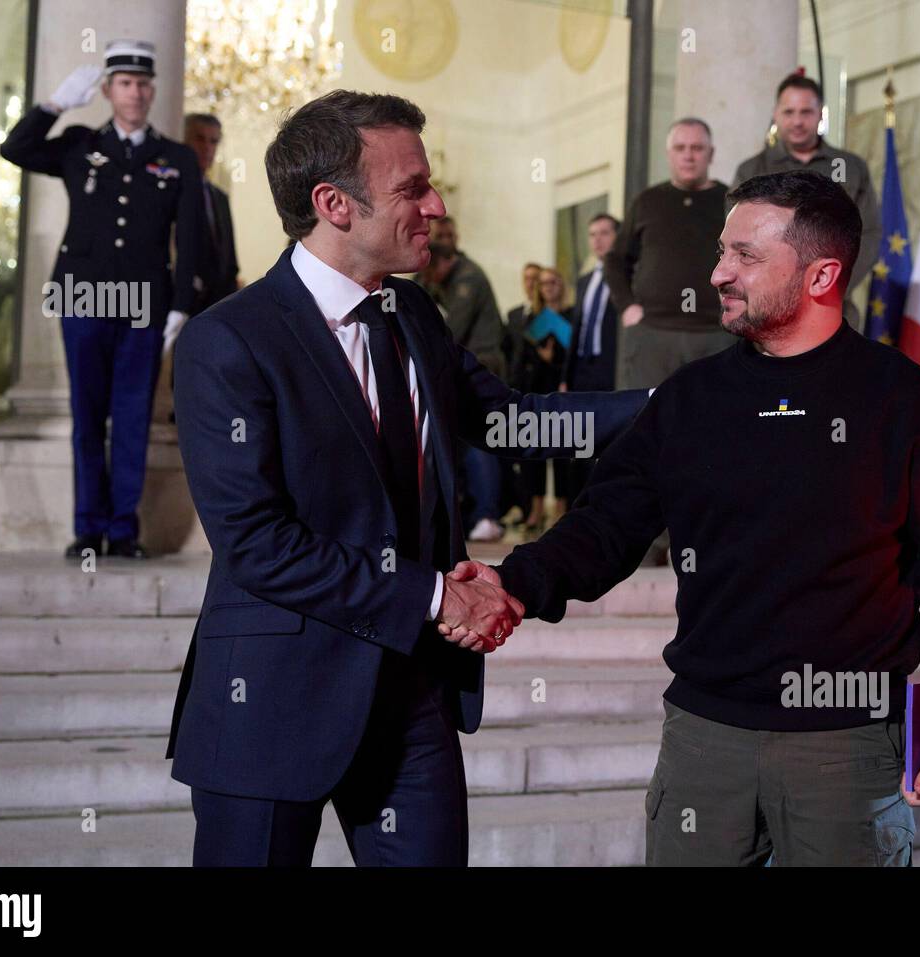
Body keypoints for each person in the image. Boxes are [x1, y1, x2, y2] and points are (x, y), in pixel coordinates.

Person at [446, 170, 920, 866]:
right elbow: (603, 528)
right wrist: (511, 583)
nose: (717, 273)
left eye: (745, 255)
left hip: (847, 749)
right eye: (721, 251)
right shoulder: (688, 400)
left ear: (821, 274)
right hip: (703, 741)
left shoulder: (912, 406)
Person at [166, 90, 649, 867]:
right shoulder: (228, 342)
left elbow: (509, 420)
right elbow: (258, 545)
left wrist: (664, 406)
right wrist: (434, 595)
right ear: (335, 204)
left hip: (413, 693)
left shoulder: (414, 313)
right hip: (268, 699)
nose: (437, 203)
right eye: (413, 188)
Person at [0, 39, 201, 560]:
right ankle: (88, 528)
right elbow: (14, 150)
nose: (135, 93)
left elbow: (192, 237)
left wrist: (180, 306)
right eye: (125, 83)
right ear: (109, 90)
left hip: (143, 302)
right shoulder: (77, 144)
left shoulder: (175, 158)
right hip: (82, 294)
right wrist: (53, 105)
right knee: (87, 416)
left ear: (152, 90)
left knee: (131, 417)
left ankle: (122, 530)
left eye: (142, 83)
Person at [732, 71, 881, 333]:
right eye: (789, 112)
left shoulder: (851, 167)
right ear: (776, 114)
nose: (797, 121)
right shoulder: (752, 169)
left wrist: (833, 285)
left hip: (833, 307)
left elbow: (869, 234)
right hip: (766, 311)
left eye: (806, 112)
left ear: (821, 114)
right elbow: (738, 240)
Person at [604, 118, 734, 390]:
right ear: (669, 154)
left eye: (697, 147)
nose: (688, 155)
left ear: (711, 153)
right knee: (645, 419)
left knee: (714, 421)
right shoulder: (647, 201)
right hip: (652, 333)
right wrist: (627, 306)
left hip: (715, 334)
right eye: (680, 147)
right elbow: (616, 260)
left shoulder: (730, 201)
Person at [417, 216, 508, 541]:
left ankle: (487, 514)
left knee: (480, 440)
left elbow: (450, 329)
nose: (428, 278)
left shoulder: (468, 276)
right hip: (459, 367)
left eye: (431, 271)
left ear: (445, 262)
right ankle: (472, 513)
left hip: (482, 364)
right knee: (458, 443)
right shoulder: (440, 278)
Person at [512, 267, 576, 531]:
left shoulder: (572, 317)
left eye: (554, 282)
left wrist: (554, 360)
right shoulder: (533, 319)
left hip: (563, 392)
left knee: (562, 453)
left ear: (562, 285)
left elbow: (575, 359)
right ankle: (535, 509)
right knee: (534, 454)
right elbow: (523, 360)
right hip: (536, 393)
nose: (549, 287)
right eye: (544, 284)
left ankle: (561, 508)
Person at [564, 213, 621, 499]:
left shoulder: (625, 277)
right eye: (592, 234)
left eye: (604, 233)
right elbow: (579, 328)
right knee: (580, 440)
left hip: (611, 368)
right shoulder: (585, 280)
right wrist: (566, 376)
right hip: (583, 369)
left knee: (609, 438)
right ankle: (577, 506)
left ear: (617, 236)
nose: (597, 240)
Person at [184, 113, 241, 315]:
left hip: (217, 308)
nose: (207, 148)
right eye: (199, 139)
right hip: (183, 306)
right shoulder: (172, 192)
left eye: (213, 141)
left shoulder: (219, 197)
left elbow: (230, 259)